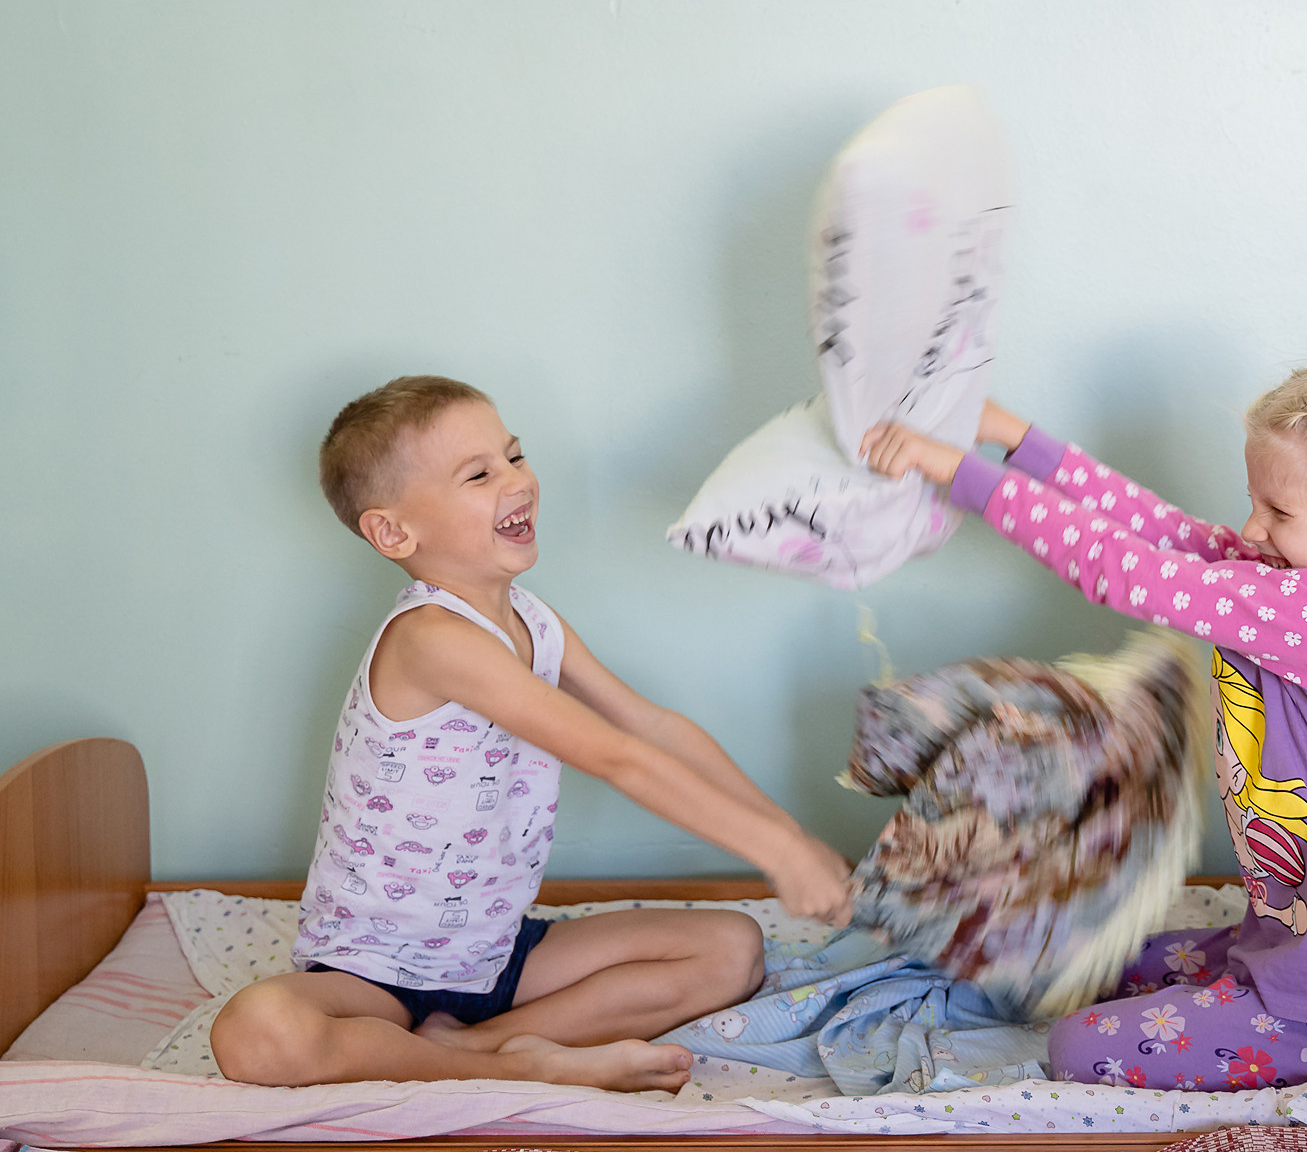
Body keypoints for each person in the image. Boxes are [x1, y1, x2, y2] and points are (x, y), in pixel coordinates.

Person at [212, 375, 852, 1093]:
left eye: (515, 456)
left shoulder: (534, 621)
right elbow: (616, 755)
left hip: (495, 955)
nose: (516, 481)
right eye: (479, 473)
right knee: (258, 1031)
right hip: (375, 975)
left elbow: (651, 725)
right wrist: (772, 849)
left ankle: (479, 1048)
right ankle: (516, 1060)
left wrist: (787, 837)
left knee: (734, 950)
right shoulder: (429, 636)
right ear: (394, 531)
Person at [861, 359, 1307, 1091]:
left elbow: (1122, 569)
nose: (1254, 527)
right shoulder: (1306, 586)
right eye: (1255, 503)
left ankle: (1300, 1015)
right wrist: (1016, 438)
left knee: (1078, 1045)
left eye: (1278, 512)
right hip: (1298, 947)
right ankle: (1253, 981)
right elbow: (1158, 530)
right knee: (1081, 961)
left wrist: (960, 473)